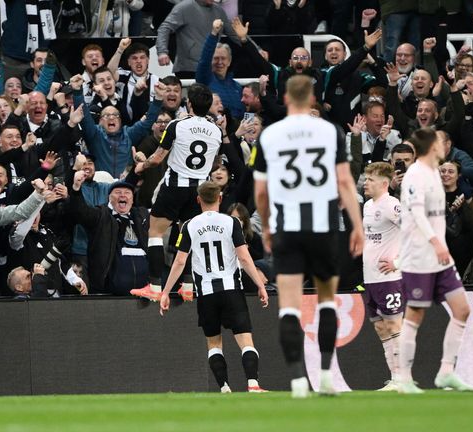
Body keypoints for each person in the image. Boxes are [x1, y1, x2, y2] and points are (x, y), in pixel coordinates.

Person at [253, 75, 364, 398]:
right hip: (324, 227)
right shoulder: (330, 131)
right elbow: (345, 182)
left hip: (288, 227)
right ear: (313, 98)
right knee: (326, 301)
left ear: (286, 98)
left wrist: (269, 224)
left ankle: (299, 381)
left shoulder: (271, 135)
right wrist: (356, 225)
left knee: (289, 306)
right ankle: (327, 375)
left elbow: (261, 191)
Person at [159, 181, 269, 393]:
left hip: (207, 293)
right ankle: (253, 384)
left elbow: (180, 261)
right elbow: (244, 258)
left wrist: (165, 292)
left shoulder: (189, 225)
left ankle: (224, 388)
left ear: (198, 199)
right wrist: (259, 285)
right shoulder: (232, 222)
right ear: (219, 198)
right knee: (245, 340)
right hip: (231, 290)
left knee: (214, 343)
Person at [397, 129, 473, 393]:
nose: (445, 145)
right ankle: (404, 378)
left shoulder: (433, 172)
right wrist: (436, 242)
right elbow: (418, 214)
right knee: (415, 314)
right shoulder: (415, 174)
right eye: (440, 141)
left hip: (440, 259)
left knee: (462, 309)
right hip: (419, 257)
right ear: (431, 146)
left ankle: (446, 372)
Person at [131, 83, 222, 302]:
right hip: (199, 189)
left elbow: (158, 158)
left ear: (188, 103)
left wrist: (141, 165)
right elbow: (216, 164)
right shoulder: (216, 130)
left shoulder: (177, 125)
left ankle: (154, 286)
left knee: (155, 232)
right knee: (191, 235)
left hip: (174, 186)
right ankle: (188, 285)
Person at [361, 162, 405, 391]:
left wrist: (398, 262)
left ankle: (402, 378)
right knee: (380, 328)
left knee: (394, 324)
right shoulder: (368, 206)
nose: (365, 182)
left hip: (390, 278)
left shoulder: (392, 205)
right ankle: (395, 376)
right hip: (371, 278)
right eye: (366, 178)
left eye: (370, 179)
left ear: (384, 183)